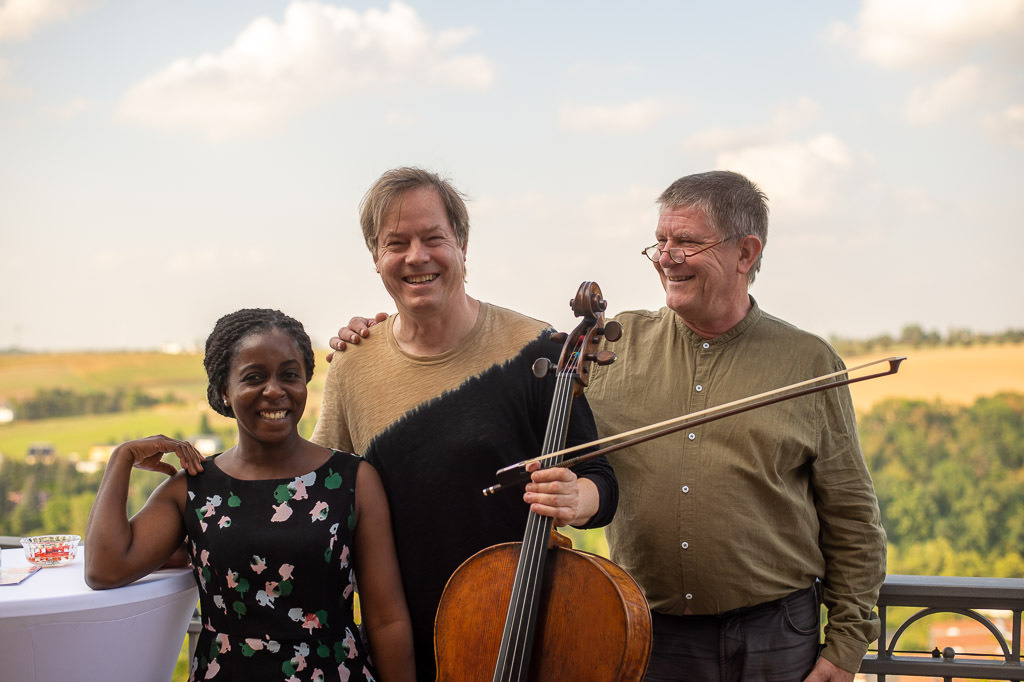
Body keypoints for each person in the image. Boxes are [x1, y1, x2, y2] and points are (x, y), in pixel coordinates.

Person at [331, 170, 886, 682]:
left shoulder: (808, 363)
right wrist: (372, 334)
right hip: (647, 629)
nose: (667, 257)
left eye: (687, 242)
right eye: (660, 242)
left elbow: (853, 517)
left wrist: (846, 645)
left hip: (776, 632)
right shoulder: (602, 347)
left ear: (747, 252)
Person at [310, 167, 618, 681]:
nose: (416, 256)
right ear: (375, 258)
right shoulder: (352, 365)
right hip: (402, 645)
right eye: (396, 243)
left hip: (523, 637)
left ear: (463, 245)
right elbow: (322, 499)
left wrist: (576, 497)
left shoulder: (538, 351)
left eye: (434, 238)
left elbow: (603, 485)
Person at [86, 308, 415, 682]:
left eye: (289, 375)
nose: (274, 390)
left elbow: (387, 620)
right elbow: (104, 569)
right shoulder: (192, 488)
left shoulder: (354, 480)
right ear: (224, 392)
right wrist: (122, 458)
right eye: (254, 377)